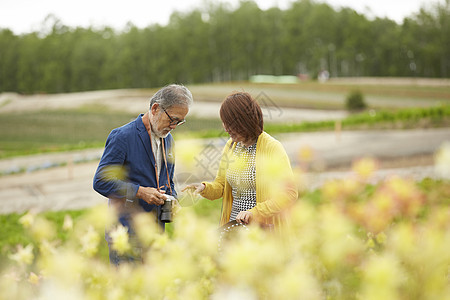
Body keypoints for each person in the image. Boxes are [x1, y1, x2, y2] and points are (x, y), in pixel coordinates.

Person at [93, 84, 193, 265]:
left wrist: (174, 199)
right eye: (173, 119)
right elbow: (100, 181)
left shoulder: (168, 140)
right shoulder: (122, 136)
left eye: (180, 122)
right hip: (125, 235)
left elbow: (168, 180)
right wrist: (140, 192)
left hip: (155, 235)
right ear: (155, 108)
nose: (174, 126)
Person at [183, 92, 297, 230]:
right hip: (233, 228)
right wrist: (204, 188)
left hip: (262, 230)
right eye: (224, 123)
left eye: (230, 124)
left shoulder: (272, 148)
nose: (225, 129)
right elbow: (221, 186)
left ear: (246, 121)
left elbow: (289, 194)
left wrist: (255, 212)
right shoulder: (231, 146)